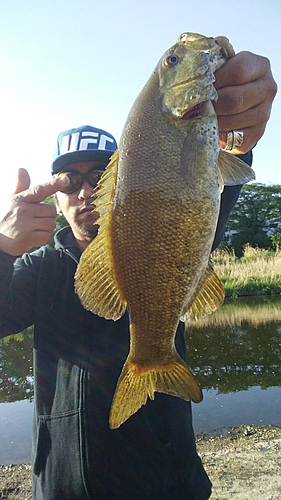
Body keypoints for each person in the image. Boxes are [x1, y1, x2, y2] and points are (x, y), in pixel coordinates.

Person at [0, 46, 277, 499]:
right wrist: (1, 249)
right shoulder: (37, 268)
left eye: (99, 174)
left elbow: (218, 175)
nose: (85, 190)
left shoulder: (173, 205)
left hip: (164, 484)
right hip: (62, 488)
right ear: (54, 194)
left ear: (124, 175)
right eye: (69, 180)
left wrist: (238, 120)